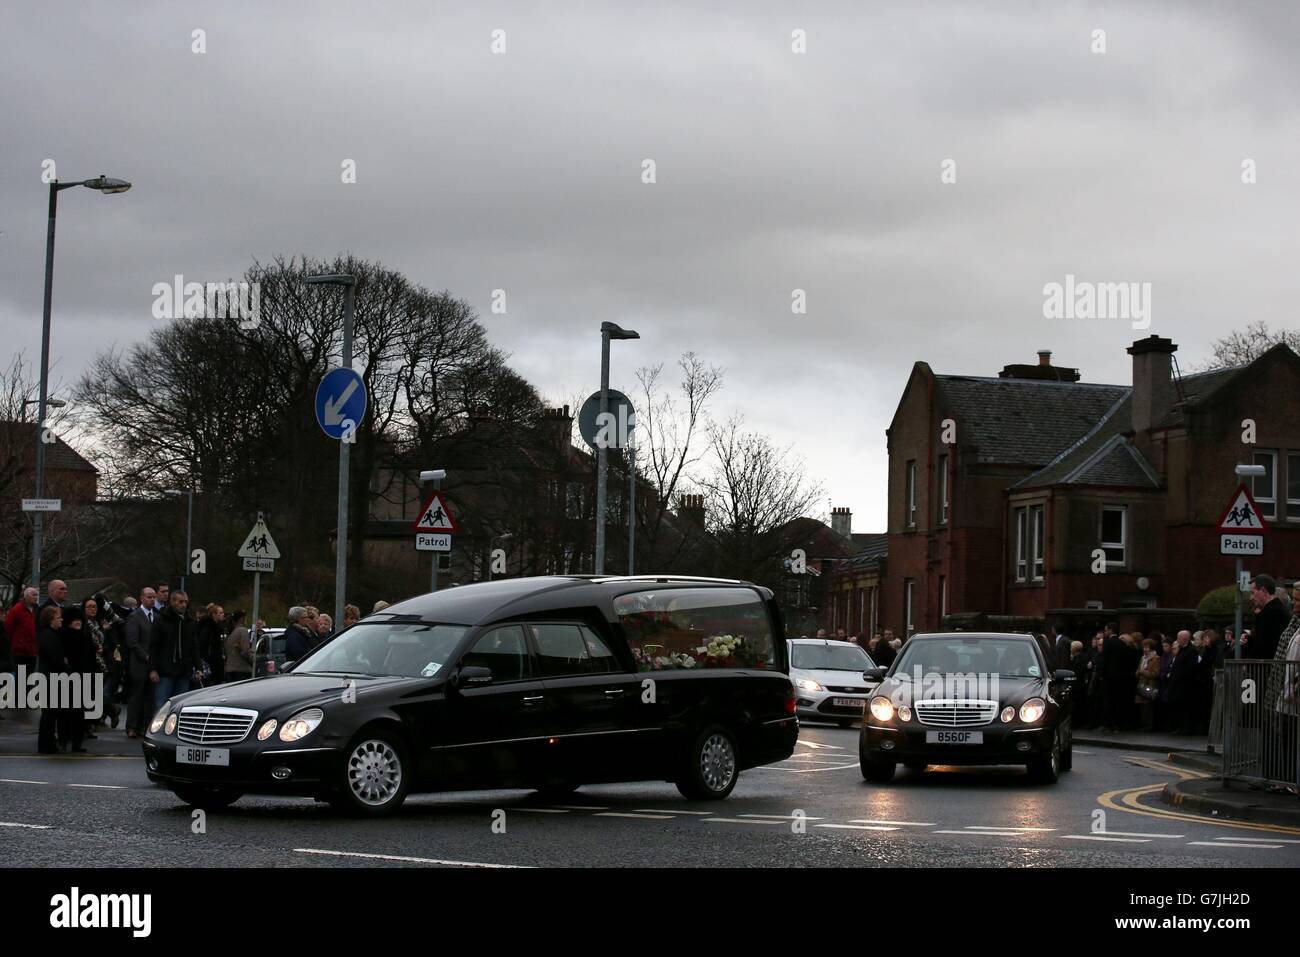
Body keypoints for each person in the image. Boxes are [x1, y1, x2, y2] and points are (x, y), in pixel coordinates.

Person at [148, 589, 202, 712]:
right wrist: (152, 669)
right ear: (172, 602)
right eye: (180, 602)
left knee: (180, 706)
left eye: (185, 602)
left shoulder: (190, 621)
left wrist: (198, 667)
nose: (183, 605)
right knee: (161, 705)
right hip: (165, 671)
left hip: (184, 671)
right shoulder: (161, 619)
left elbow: (194, 647)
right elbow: (154, 645)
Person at [122, 587, 159, 737]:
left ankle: (145, 725)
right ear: (142, 598)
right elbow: (132, 642)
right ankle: (132, 726)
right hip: (139, 663)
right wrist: (146, 656)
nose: (152, 600)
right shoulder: (134, 617)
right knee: (137, 696)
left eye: (153, 597)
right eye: (149, 597)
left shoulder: (156, 616)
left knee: (150, 697)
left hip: (153, 663)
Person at [35, 606, 69, 753]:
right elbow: (55, 658)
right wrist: (65, 664)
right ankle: (46, 744)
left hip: (51, 677)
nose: (61, 619)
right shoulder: (48, 635)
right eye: (58, 617)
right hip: (50, 679)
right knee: (49, 713)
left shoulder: (49, 634)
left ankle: (48, 743)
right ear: (50, 620)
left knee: (50, 713)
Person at [4, 587, 39, 717]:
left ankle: (26, 699)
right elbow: (8, 627)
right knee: (21, 675)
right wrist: (16, 642)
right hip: (19, 650)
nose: (36, 597)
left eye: (37, 595)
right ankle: (19, 700)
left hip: (32, 649)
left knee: (29, 675)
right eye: (33, 595)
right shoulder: (17, 610)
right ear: (26, 596)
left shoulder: (35, 610)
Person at [1246, 575, 1288, 661]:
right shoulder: (1278, 610)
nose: (1251, 598)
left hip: (1266, 670)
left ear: (1263, 591)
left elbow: (1263, 645)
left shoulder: (1270, 613)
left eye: (1252, 593)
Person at [1167, 630, 1199, 734]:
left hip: (1185, 685)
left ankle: (1186, 728)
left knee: (1186, 708)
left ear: (1184, 639)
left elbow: (1189, 668)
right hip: (1177, 684)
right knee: (1179, 708)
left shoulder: (1191, 651)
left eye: (1178, 638)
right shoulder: (1182, 650)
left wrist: (1178, 675)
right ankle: (1179, 727)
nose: (1177, 640)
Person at [197, 604, 227, 686]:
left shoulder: (217, 628)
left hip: (215, 660)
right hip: (211, 662)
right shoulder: (208, 628)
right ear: (214, 614)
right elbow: (204, 644)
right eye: (220, 613)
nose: (223, 615)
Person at [1135, 638, 1161, 731]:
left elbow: (1156, 673)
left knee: (1148, 707)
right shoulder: (1143, 658)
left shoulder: (1156, 659)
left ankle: (1149, 725)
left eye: (1147, 647)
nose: (1144, 649)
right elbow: (1139, 669)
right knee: (1142, 706)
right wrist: (1138, 672)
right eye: (1144, 647)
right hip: (1141, 684)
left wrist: (1144, 672)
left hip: (1150, 685)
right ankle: (1143, 725)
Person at [223, 611, 253, 682]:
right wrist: (252, 659)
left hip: (229, 669)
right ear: (241, 619)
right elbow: (245, 651)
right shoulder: (243, 631)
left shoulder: (230, 633)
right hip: (242, 670)